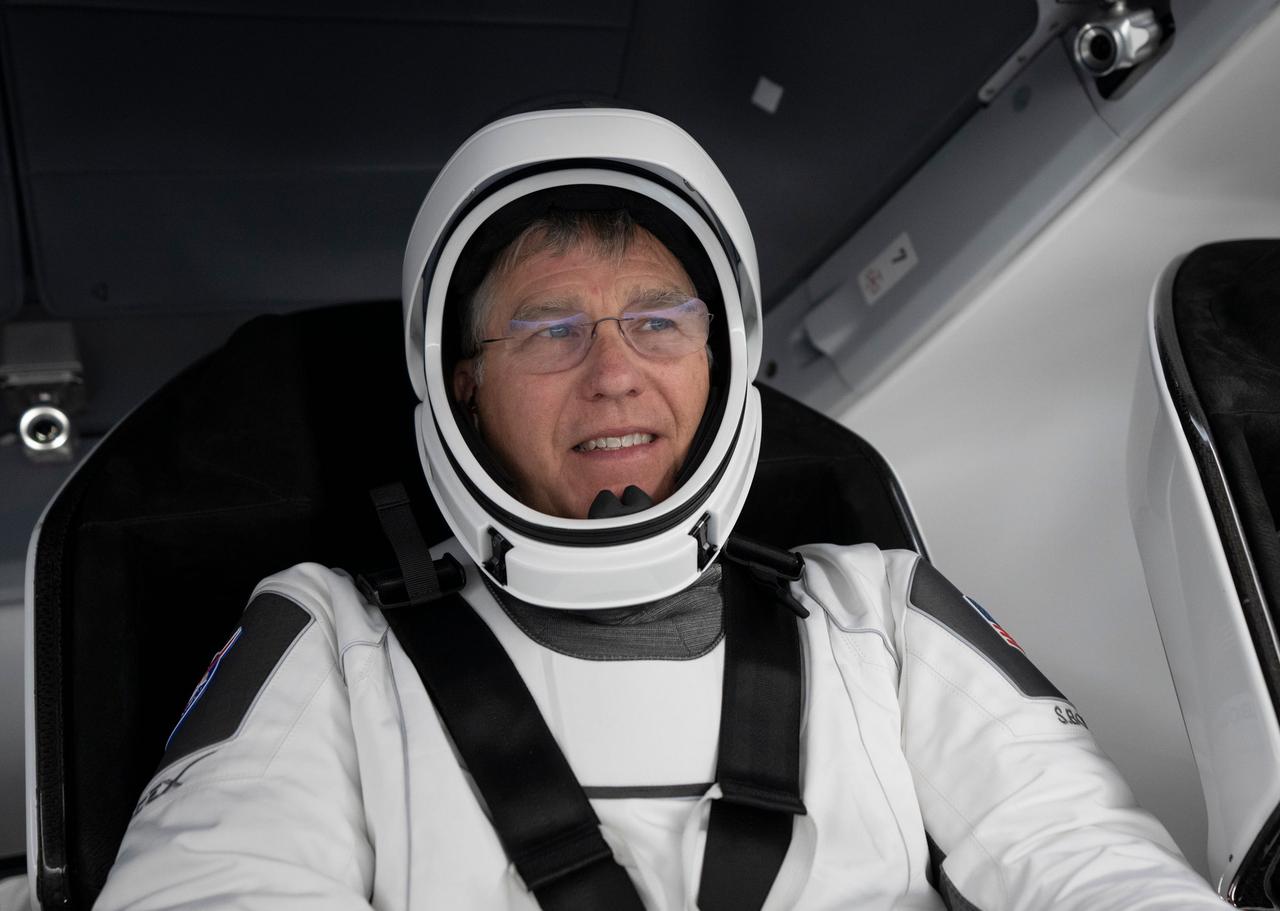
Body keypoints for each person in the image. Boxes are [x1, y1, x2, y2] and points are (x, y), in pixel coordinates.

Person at [92, 108, 1225, 910]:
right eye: (548, 328)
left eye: (658, 320)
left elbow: (1086, 859)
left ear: (718, 357)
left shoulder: (873, 613)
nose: (614, 372)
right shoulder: (332, 640)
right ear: (462, 382)